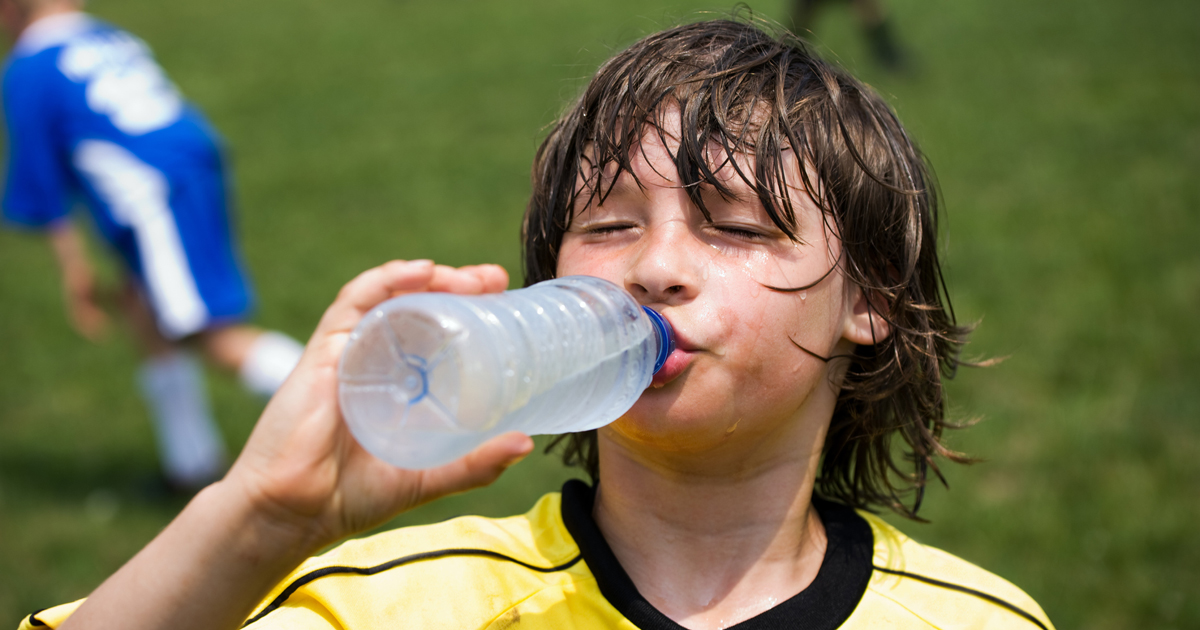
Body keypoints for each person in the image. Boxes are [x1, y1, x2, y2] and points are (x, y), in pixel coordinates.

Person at [18, 19, 1054, 630]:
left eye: (735, 225)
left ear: (869, 299)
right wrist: (259, 520)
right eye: (608, 222)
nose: (654, 266)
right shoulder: (396, 606)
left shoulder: (982, 622)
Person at [1, 0, 304, 490]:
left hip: (155, 195)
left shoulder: (29, 69)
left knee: (209, 334)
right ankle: (191, 465)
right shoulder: (103, 35)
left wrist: (73, 270)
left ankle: (356, 411)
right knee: (143, 304)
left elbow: (43, 189)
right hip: (189, 166)